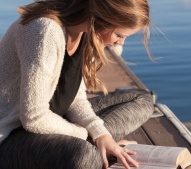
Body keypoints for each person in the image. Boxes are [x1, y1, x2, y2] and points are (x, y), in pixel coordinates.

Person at [0, 0, 154, 168]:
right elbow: (33, 118)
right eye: (119, 35)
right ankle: (95, 147)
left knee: (141, 99)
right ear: (100, 19)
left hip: (55, 120)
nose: (121, 43)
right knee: (84, 155)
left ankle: (101, 145)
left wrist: (101, 134)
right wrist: (88, 136)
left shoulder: (84, 31)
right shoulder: (44, 31)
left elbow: (75, 99)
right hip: (12, 136)